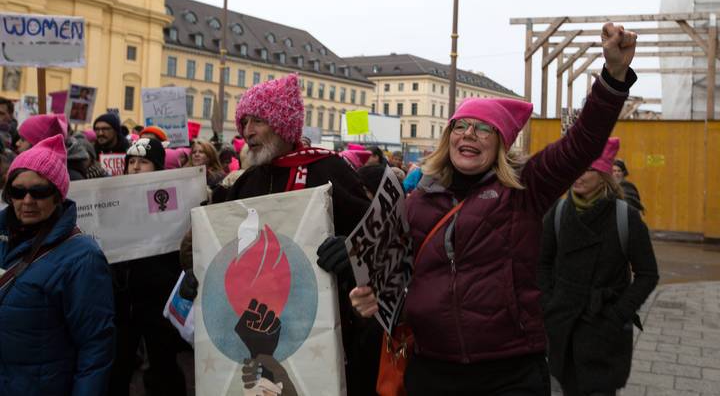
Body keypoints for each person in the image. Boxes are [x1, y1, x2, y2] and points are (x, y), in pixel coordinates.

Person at [342, 23, 638, 395]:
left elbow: (582, 142)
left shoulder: (525, 191)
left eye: (483, 129)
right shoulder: (415, 202)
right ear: (447, 139)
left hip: (509, 372)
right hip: (432, 368)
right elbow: (395, 280)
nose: (469, 134)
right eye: (461, 126)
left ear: (499, 144)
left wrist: (612, 78)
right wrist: (367, 300)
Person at [179, 73, 380, 396]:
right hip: (258, 332)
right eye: (245, 122)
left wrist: (352, 250)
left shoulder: (330, 171)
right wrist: (196, 274)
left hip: (329, 334)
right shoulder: (245, 182)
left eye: (258, 120)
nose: (247, 132)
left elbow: (378, 239)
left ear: (284, 124)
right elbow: (218, 245)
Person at [538, 138, 658, 396]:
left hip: (603, 331)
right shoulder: (558, 212)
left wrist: (618, 314)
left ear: (604, 173)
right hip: (562, 329)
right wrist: (549, 304)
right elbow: (541, 263)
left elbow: (648, 274)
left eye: (588, 169)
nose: (578, 175)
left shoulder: (625, 217)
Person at [0, 134, 114, 395]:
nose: (27, 200)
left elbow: (95, 346)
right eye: (18, 191)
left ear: (57, 196)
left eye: (39, 191)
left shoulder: (82, 256)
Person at [109, 137, 187, 396]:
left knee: (163, 365)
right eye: (131, 161)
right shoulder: (116, 199)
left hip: (158, 298)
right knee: (119, 364)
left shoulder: (169, 198)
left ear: (157, 167)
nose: (135, 167)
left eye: (143, 162)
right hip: (124, 300)